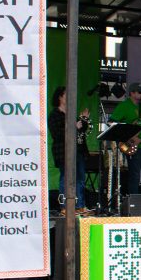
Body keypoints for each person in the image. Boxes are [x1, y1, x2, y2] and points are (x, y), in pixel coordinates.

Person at [48, 86, 91, 215]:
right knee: (65, 179)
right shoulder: (55, 115)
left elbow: (82, 130)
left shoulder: (72, 113)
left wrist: (83, 119)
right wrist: (73, 126)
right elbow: (57, 134)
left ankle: (80, 206)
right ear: (60, 97)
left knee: (80, 178)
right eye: (67, 94)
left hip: (78, 150)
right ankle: (64, 207)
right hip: (64, 152)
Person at [109, 82, 141, 194]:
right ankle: (134, 201)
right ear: (132, 93)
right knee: (135, 173)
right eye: (140, 92)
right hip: (131, 144)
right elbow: (111, 122)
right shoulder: (124, 106)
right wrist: (126, 137)